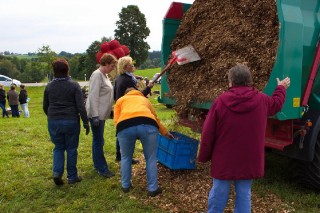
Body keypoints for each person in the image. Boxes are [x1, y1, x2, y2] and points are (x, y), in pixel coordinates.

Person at [198, 64, 290, 213]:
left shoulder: (221, 101)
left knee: (219, 192)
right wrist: (281, 87)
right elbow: (276, 104)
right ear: (249, 81)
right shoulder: (261, 100)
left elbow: (208, 132)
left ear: (231, 82)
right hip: (249, 158)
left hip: (224, 158)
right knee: (244, 194)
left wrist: (204, 156)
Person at [114, 88, 174, 197]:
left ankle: (125, 186)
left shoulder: (120, 100)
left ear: (125, 93)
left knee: (126, 157)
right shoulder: (145, 100)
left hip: (125, 126)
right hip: (148, 124)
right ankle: (153, 188)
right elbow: (156, 118)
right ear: (137, 92)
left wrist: (122, 134)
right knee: (151, 157)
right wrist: (165, 133)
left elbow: (116, 120)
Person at [43, 58, 90, 186]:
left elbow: (45, 106)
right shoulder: (74, 85)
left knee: (58, 147)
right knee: (71, 149)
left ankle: (57, 173)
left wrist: (52, 116)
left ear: (54, 71)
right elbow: (81, 106)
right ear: (67, 70)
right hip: (71, 120)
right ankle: (72, 177)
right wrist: (86, 123)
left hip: (53, 120)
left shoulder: (49, 86)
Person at [114, 56, 154, 163]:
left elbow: (114, 95)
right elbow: (139, 95)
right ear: (125, 67)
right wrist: (149, 87)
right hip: (128, 108)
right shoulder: (128, 80)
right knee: (127, 135)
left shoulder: (119, 78)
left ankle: (119, 155)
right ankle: (125, 157)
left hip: (121, 107)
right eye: (130, 65)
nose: (132, 66)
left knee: (120, 132)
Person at [86, 53, 117, 178]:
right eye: (112, 65)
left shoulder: (104, 75)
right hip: (96, 114)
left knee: (98, 140)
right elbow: (93, 96)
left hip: (101, 114)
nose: (113, 68)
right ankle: (102, 168)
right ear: (105, 63)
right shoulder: (97, 75)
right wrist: (95, 115)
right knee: (98, 141)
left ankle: (97, 164)